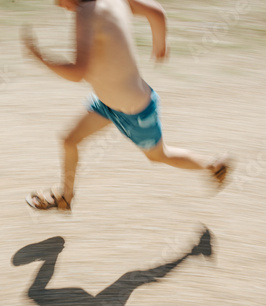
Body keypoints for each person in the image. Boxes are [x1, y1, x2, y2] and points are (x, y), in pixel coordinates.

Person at [23, 0, 232, 211]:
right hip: (108, 103)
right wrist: (161, 44)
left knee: (159, 155)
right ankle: (65, 198)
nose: (58, 5)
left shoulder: (84, 13)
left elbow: (78, 73)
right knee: (69, 141)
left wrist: (41, 58)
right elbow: (156, 11)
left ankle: (213, 165)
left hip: (136, 111)